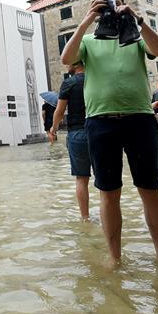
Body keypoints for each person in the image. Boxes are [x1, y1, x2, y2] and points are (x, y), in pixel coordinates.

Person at [60, 0, 158, 264]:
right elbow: (66, 58)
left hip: (140, 119)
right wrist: (85, 21)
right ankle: (115, 259)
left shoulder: (135, 38)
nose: (113, 7)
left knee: (150, 190)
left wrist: (138, 19)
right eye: (108, 3)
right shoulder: (87, 40)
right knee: (108, 193)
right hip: (100, 121)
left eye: (117, 2)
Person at [48, 61, 92, 220]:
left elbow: (59, 111)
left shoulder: (69, 83)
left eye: (67, 62)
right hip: (99, 131)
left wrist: (53, 128)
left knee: (81, 178)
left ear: (75, 63)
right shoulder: (95, 78)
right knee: (105, 180)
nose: (66, 65)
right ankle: (107, 215)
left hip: (77, 133)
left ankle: (85, 218)